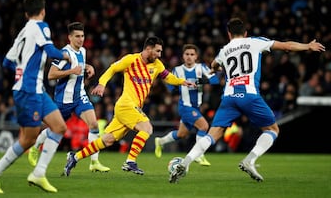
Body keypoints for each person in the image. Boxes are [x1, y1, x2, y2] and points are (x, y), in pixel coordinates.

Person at [169, 17, 325, 183]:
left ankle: (185, 163)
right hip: (249, 94)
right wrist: (307, 46)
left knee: (214, 133)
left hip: (229, 97)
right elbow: (286, 46)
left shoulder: (224, 50)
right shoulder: (255, 42)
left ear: (229, 34)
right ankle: (249, 160)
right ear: (245, 33)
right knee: (272, 129)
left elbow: (214, 66)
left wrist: (218, 67)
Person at [62, 36, 196, 176]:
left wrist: (182, 82)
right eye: (157, 51)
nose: (159, 55)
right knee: (147, 128)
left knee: (107, 140)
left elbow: (168, 77)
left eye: (161, 51)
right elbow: (112, 69)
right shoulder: (131, 60)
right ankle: (130, 161)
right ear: (148, 49)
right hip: (126, 104)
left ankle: (75, 157)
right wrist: (102, 83)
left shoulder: (157, 65)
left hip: (131, 108)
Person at [0, 0, 70, 193]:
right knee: (29, 139)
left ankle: (39, 173)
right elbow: (52, 51)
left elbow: (7, 62)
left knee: (59, 126)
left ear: (26, 13)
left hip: (35, 88)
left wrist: (21, 70)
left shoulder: (23, 31)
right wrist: (68, 56)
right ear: (43, 11)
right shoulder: (41, 26)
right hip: (29, 90)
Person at [27, 22, 110, 172]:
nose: (80, 39)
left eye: (82, 36)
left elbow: (80, 65)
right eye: (77, 36)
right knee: (54, 129)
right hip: (63, 100)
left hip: (79, 97)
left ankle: (94, 162)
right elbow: (51, 74)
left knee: (94, 125)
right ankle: (36, 146)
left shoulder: (83, 51)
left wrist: (88, 67)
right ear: (70, 37)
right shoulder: (63, 53)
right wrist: (71, 71)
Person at [154, 44, 219, 166]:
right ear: (183, 56)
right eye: (187, 54)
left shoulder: (201, 67)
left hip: (196, 107)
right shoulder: (177, 70)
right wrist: (178, 85)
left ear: (196, 57)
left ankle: (160, 141)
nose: (189, 57)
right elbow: (169, 86)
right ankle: (199, 155)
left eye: (192, 54)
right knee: (204, 127)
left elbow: (215, 80)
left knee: (181, 134)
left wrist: (200, 81)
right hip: (185, 106)